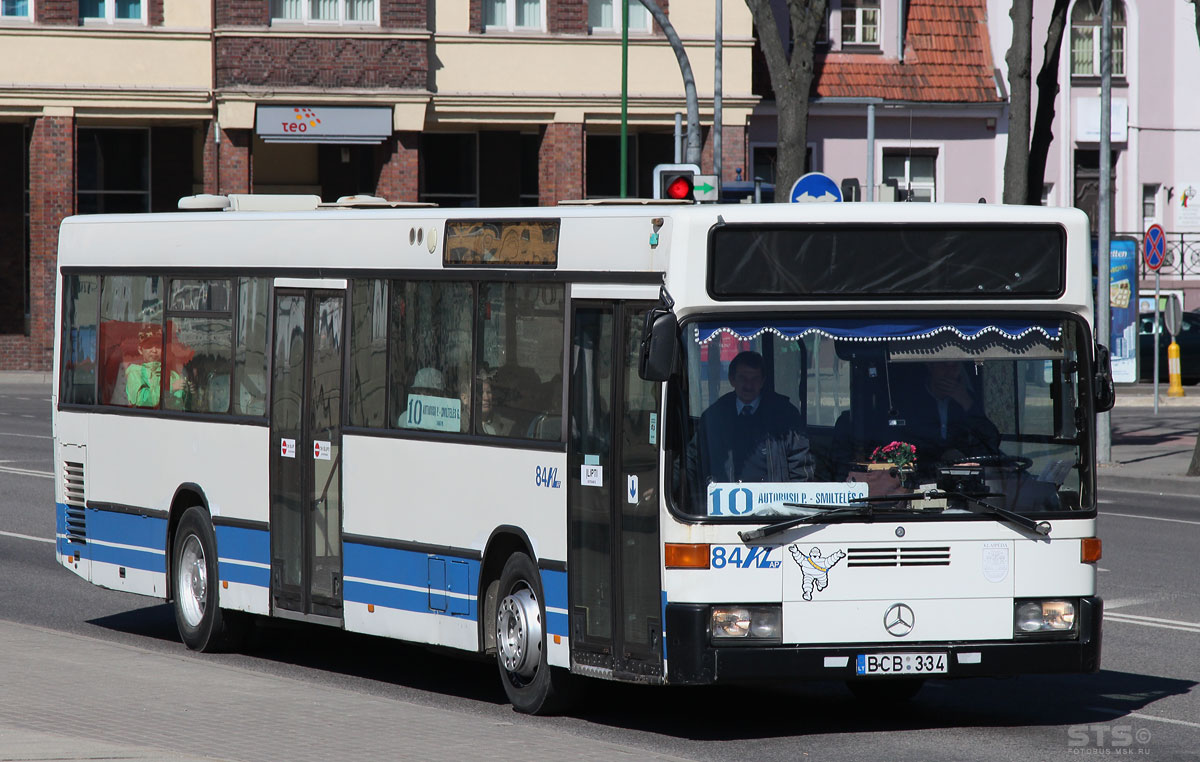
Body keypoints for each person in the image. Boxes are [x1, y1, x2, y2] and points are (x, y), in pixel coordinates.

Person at [687, 351, 814, 489]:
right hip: (726, 504)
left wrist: (790, 502)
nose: (749, 385)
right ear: (732, 379)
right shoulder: (714, 417)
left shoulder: (785, 414)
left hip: (775, 506)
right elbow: (692, 460)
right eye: (743, 378)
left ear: (762, 381)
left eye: (755, 379)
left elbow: (802, 467)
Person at [894, 361, 1000, 469]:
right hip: (924, 472)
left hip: (965, 471)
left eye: (954, 367)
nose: (949, 372)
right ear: (931, 366)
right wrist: (944, 454)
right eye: (944, 366)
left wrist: (966, 401)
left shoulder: (967, 398)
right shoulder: (912, 400)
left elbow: (991, 439)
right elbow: (911, 438)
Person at [125, 326, 188, 408]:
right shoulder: (135, 372)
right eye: (149, 345)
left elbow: (180, 404)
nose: (154, 350)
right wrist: (169, 389)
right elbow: (141, 400)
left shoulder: (172, 374)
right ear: (140, 349)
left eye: (158, 346)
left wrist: (188, 391)